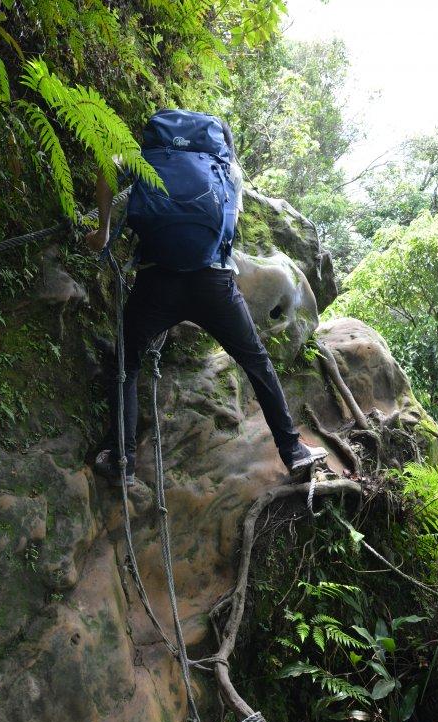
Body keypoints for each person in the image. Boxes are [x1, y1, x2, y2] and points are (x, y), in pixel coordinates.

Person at [86, 113, 326, 486]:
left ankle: (122, 461)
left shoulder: (148, 157)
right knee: (257, 363)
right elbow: (229, 230)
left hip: (156, 282)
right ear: (219, 142)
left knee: (126, 363)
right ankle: (294, 452)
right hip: (214, 285)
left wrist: (103, 231)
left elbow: (105, 168)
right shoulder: (226, 168)